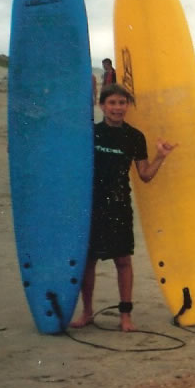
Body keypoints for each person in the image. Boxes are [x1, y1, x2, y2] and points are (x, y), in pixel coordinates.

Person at [70, 84, 176, 331]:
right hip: (92, 204)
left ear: (127, 106)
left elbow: (145, 175)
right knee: (89, 260)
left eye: (122, 103)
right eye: (112, 103)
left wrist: (160, 157)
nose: (117, 108)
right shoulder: (90, 133)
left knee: (123, 260)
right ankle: (86, 312)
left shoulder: (134, 137)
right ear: (102, 105)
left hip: (119, 204)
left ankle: (125, 315)